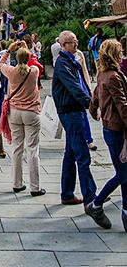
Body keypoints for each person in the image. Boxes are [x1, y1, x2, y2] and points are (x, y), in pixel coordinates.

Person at [52, 29, 108, 226]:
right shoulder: (63, 64)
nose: (77, 44)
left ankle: (67, 193)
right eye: (74, 42)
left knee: (70, 153)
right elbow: (74, 87)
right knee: (82, 155)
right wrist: (90, 104)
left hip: (72, 110)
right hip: (71, 112)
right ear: (64, 45)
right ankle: (91, 199)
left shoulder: (70, 61)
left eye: (76, 42)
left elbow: (80, 84)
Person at [89, 38, 127, 229]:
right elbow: (122, 105)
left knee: (125, 172)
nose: (121, 54)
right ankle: (96, 203)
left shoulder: (103, 73)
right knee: (123, 172)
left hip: (110, 127)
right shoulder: (112, 76)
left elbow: (95, 94)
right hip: (117, 129)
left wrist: (94, 107)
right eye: (119, 51)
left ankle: (126, 212)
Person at [0, 43, 44, 196]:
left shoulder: (11, 71)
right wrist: (28, 49)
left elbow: (0, 64)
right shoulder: (34, 71)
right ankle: (35, 187)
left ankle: (17, 183)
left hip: (15, 112)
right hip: (31, 112)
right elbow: (35, 61)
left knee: (17, 148)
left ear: (16, 58)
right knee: (32, 149)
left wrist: (9, 51)